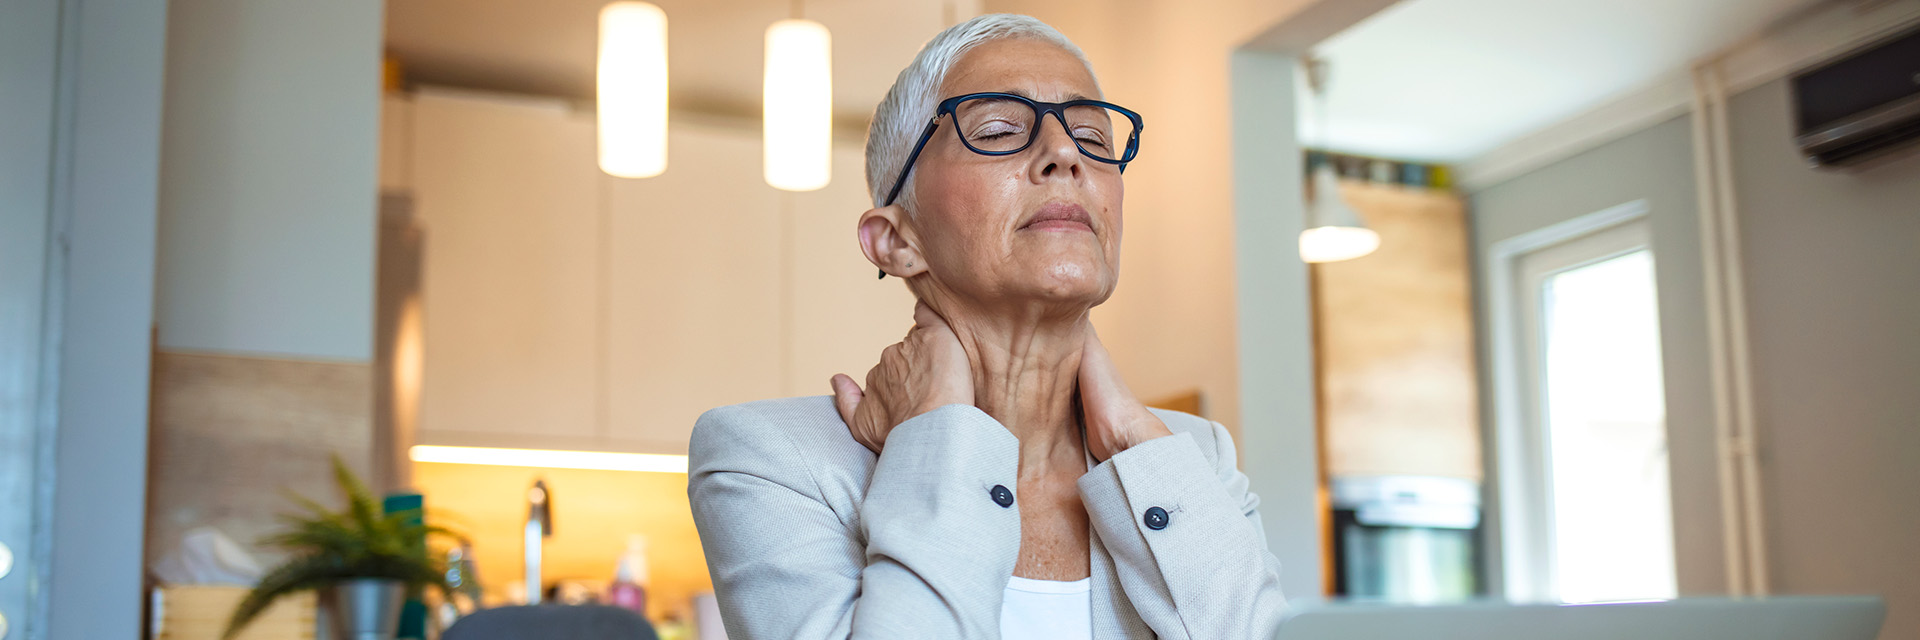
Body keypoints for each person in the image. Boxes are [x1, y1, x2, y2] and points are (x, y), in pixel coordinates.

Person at [687, 13, 1286, 639]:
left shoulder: (1195, 459)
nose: (1064, 155)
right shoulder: (768, 458)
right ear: (895, 241)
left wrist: (1138, 440)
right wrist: (937, 433)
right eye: (999, 131)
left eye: (1092, 138)